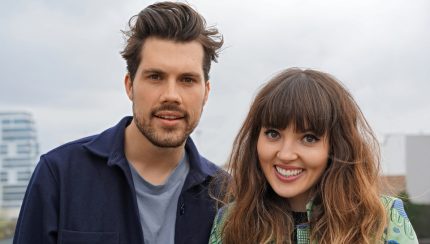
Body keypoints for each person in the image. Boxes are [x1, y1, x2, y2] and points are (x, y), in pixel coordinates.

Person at [13, 2, 224, 244]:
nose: (171, 95)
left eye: (187, 80)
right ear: (129, 85)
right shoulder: (59, 176)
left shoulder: (227, 196)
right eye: (155, 77)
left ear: (206, 92)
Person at [209, 68, 418, 243]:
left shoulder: (384, 220)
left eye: (309, 138)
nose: (286, 154)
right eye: (273, 134)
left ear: (337, 146)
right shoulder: (230, 222)